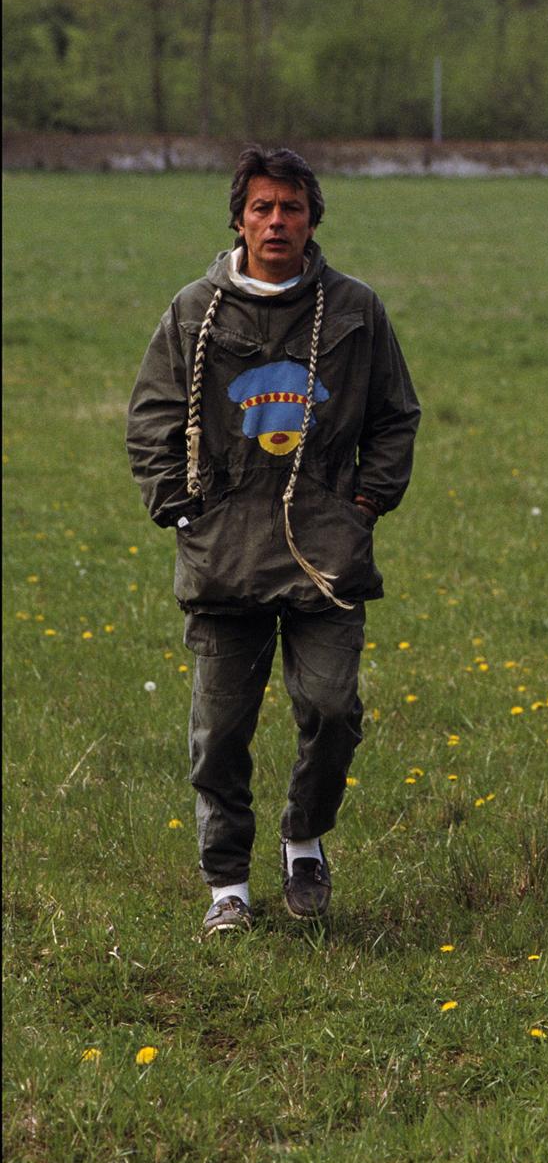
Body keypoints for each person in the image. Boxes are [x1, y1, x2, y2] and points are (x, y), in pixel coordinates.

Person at [126, 146, 420, 936]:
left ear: (312, 219)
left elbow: (396, 415)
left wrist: (365, 501)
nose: (277, 220)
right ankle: (228, 883)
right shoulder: (195, 311)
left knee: (331, 708)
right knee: (219, 731)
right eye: (262, 207)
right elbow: (153, 416)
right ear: (239, 219)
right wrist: (178, 505)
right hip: (224, 553)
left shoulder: (355, 309)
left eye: (291, 207)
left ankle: (303, 840)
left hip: (325, 553)